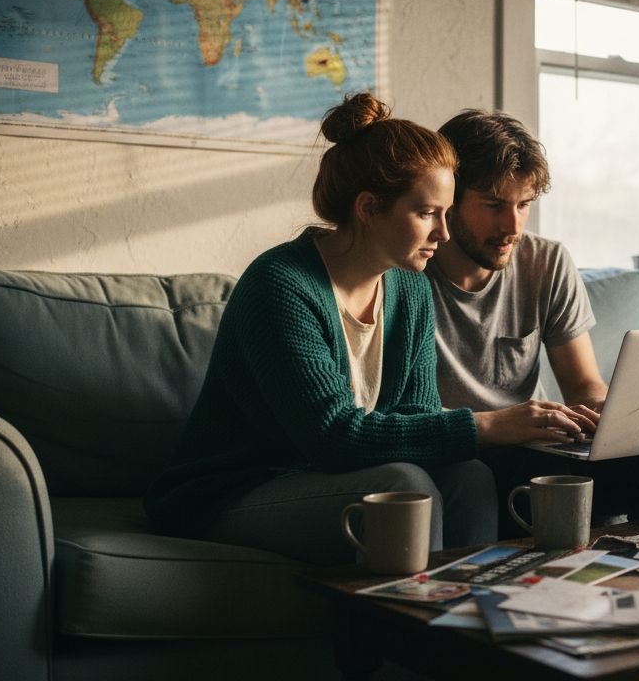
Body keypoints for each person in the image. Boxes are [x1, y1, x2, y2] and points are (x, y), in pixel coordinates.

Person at [144, 93, 591, 564]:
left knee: (469, 475)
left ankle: (467, 611)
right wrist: (491, 424)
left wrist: (476, 436)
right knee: (404, 486)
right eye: (427, 214)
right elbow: (334, 437)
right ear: (369, 208)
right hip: (235, 490)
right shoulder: (280, 286)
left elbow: (417, 415)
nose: (443, 232)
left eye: (446, 212)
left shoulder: (409, 288)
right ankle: (406, 621)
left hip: (330, 477)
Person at [427, 109, 639, 535]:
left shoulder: (547, 261)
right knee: (475, 477)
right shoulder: (407, 276)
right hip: (468, 449)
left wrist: (617, 418)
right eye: (494, 205)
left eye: (524, 205)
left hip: (539, 450)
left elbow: (584, 385)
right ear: (450, 199)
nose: (512, 226)